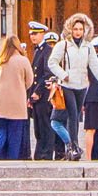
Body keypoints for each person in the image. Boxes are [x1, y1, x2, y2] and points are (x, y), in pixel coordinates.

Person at [49, 14, 98, 159]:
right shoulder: (63, 45)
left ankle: (73, 147)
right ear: (70, 29)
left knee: (77, 116)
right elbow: (52, 62)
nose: (78, 32)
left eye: (80, 29)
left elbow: (94, 64)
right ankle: (73, 146)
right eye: (75, 29)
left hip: (82, 85)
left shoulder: (88, 46)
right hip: (67, 84)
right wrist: (63, 74)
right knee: (72, 114)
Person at [0, 35, 33, 160]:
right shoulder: (23, 60)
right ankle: (12, 158)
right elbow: (30, 80)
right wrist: (20, 86)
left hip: (0, 101)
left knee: (0, 129)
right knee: (15, 133)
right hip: (17, 101)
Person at [27, 22, 62, 160]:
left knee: (46, 126)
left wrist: (38, 91)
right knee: (38, 127)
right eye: (31, 34)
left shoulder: (48, 50)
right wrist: (30, 96)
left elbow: (47, 74)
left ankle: (46, 153)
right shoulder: (38, 51)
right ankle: (40, 152)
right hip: (36, 96)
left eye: (35, 34)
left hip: (44, 95)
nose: (32, 37)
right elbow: (34, 75)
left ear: (42, 34)